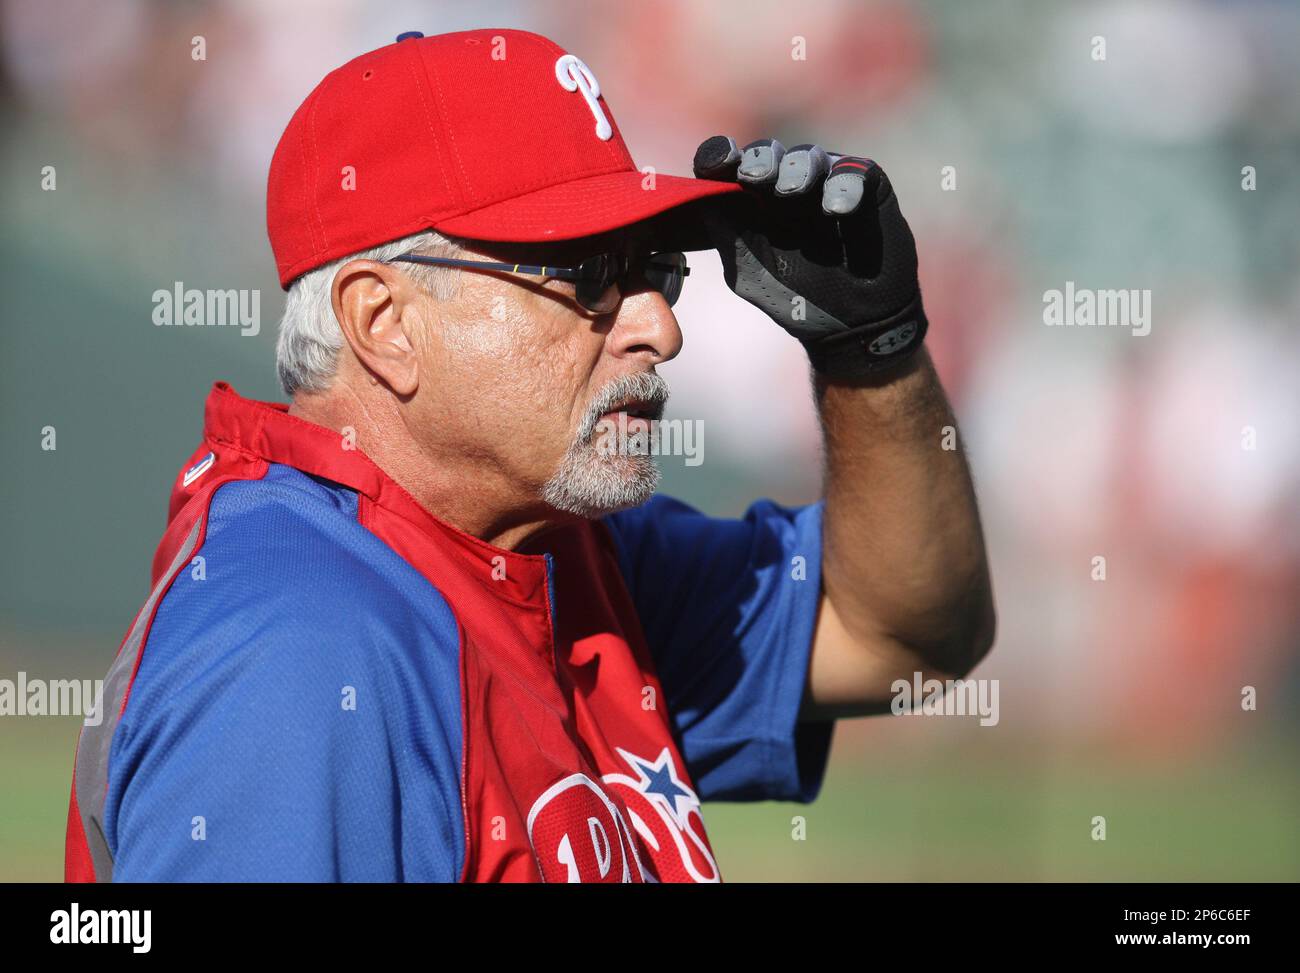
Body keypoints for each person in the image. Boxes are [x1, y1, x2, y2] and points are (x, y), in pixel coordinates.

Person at [65, 27, 994, 883]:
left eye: (652, 269)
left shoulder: (558, 551)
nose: (660, 327)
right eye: (590, 273)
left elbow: (904, 637)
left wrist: (870, 350)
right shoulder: (301, 655)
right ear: (385, 323)